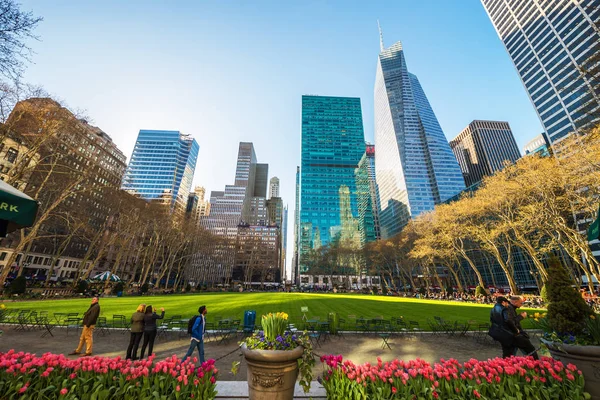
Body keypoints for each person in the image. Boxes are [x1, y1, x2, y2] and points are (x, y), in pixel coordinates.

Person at [507, 296, 539, 360]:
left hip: (514, 335)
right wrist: (521, 316)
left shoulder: (511, 308)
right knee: (531, 351)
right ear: (515, 302)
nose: (521, 305)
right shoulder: (509, 308)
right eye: (520, 303)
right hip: (516, 335)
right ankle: (535, 364)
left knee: (510, 354)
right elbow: (510, 322)